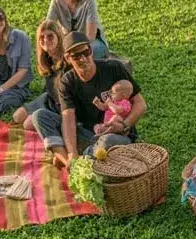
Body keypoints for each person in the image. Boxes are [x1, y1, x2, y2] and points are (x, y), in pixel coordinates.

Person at [31, 32, 147, 167]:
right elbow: (68, 119)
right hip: (86, 133)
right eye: (76, 56)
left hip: (116, 134)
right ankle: (70, 161)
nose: (83, 58)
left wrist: (124, 125)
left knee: (107, 141)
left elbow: (140, 104)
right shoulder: (67, 81)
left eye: (86, 52)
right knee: (39, 116)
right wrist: (71, 153)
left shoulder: (113, 68)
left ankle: (81, 161)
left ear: (91, 51)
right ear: (68, 58)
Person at [12, 20, 67, 132]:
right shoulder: (48, 60)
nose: (46, 40)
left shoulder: (66, 61)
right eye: (42, 37)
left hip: (63, 106)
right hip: (50, 98)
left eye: (50, 36)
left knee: (27, 124)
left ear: (59, 37)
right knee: (17, 116)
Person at [45, 0, 109, 60]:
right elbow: (48, 26)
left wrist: (73, 50)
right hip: (68, 42)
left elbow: (90, 36)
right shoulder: (57, 0)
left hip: (92, 42)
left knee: (83, 55)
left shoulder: (89, 1)